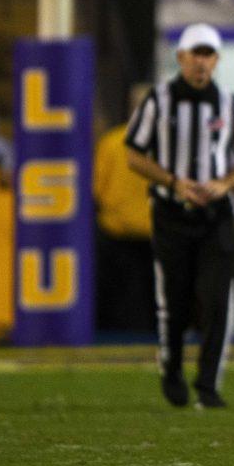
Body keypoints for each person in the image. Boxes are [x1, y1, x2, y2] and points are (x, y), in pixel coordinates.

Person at [124, 23, 234, 409]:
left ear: (216, 60)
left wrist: (225, 183)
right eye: (195, 54)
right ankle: (171, 371)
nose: (201, 62)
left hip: (215, 215)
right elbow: (133, 153)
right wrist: (172, 181)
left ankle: (208, 384)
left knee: (217, 299)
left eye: (208, 54)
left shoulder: (230, 103)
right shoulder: (159, 101)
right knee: (175, 301)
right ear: (181, 57)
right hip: (171, 211)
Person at [93, 84, 156, 333]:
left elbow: (96, 190)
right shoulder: (112, 143)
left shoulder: (113, 141)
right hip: (121, 237)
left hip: (144, 237)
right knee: (133, 304)